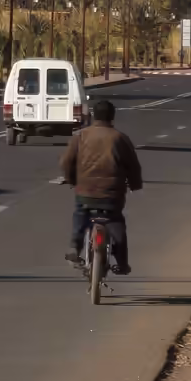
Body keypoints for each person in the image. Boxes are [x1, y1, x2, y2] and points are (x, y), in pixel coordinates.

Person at [61, 99, 142, 276]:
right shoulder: (120, 138)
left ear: (93, 115)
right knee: (116, 222)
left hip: (85, 192)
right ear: (112, 117)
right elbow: (133, 166)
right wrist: (135, 184)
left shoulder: (80, 136)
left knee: (80, 215)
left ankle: (75, 247)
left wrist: (71, 179)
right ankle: (121, 262)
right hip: (112, 195)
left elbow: (67, 161)